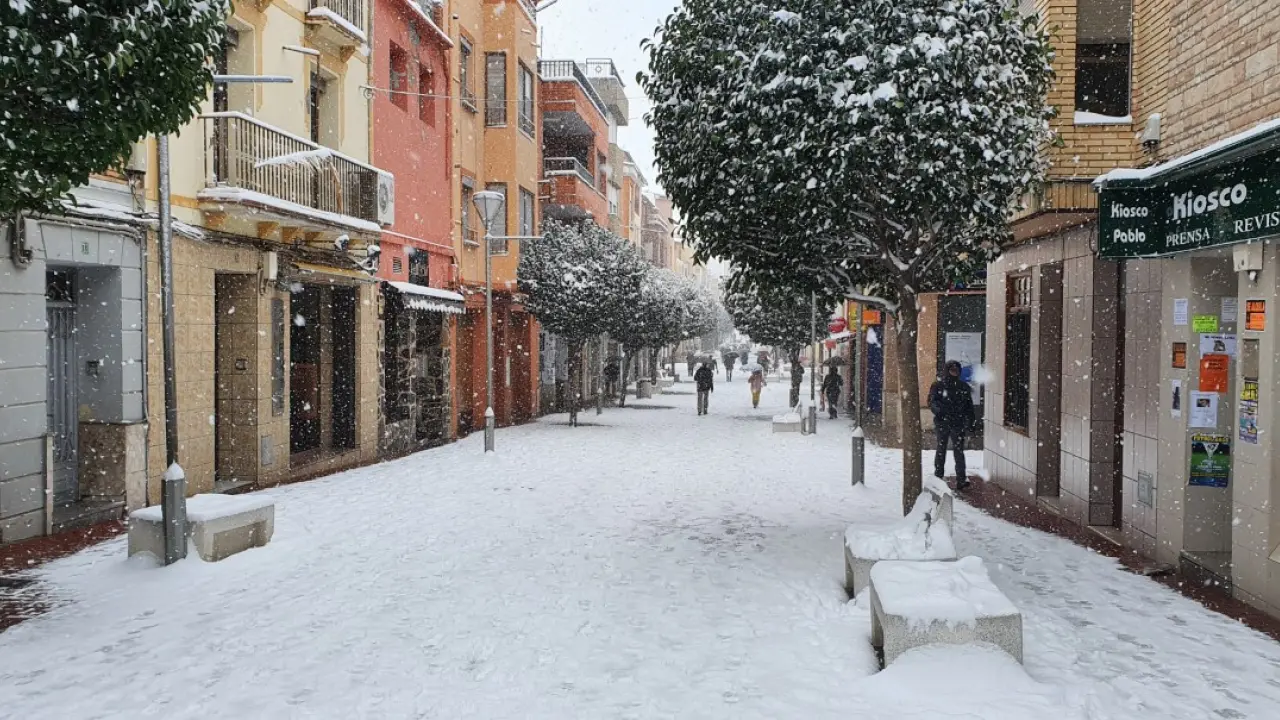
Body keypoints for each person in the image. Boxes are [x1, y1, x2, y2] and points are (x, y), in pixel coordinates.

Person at [929, 360, 976, 490]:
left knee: (958, 451)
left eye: (957, 370)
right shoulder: (938, 386)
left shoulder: (963, 387)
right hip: (942, 422)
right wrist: (940, 411)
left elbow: (969, 407)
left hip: (957, 423)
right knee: (941, 449)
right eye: (952, 370)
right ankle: (938, 475)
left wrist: (971, 422)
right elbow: (932, 402)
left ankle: (961, 479)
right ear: (947, 371)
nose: (955, 373)